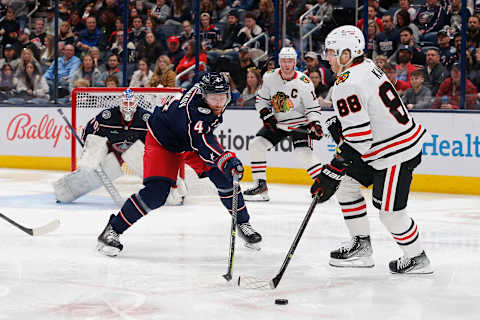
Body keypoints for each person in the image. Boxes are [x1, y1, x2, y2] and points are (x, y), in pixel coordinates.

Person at [96, 73, 262, 256]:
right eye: (214, 98)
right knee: (156, 193)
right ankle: (113, 229)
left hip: (188, 140)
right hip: (162, 141)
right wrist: (226, 159)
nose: (219, 103)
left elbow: (200, 138)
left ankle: (243, 223)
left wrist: (224, 163)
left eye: (222, 97)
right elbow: (203, 142)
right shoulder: (195, 112)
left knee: (225, 178)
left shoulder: (204, 97)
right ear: (204, 95)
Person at [311, 25, 432, 274]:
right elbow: (367, 118)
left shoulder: (346, 82)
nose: (328, 58)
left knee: (390, 214)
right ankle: (361, 246)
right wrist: (344, 134)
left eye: (332, 52)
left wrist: (331, 170)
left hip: (394, 154)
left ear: (347, 54)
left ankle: (418, 258)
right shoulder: (366, 66)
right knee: (346, 186)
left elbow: (360, 141)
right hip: (384, 148)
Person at [54, 88, 186, 205]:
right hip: (113, 149)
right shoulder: (108, 116)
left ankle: (173, 192)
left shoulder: (146, 118)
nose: (128, 107)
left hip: (138, 150)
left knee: (149, 161)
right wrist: (90, 153)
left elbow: (160, 139)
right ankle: (66, 190)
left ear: (136, 105)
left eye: (130, 103)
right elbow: (89, 131)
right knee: (93, 157)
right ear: (120, 104)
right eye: (125, 103)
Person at [243, 47, 323, 201]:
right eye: (284, 61)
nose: (287, 64)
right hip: (279, 123)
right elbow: (261, 101)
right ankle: (261, 187)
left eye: (290, 61)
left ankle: (324, 187)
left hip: (300, 122)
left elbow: (313, 108)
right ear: (279, 62)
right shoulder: (270, 78)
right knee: (256, 145)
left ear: (295, 63)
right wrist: (266, 116)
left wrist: (315, 124)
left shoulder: (304, 82)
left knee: (303, 154)